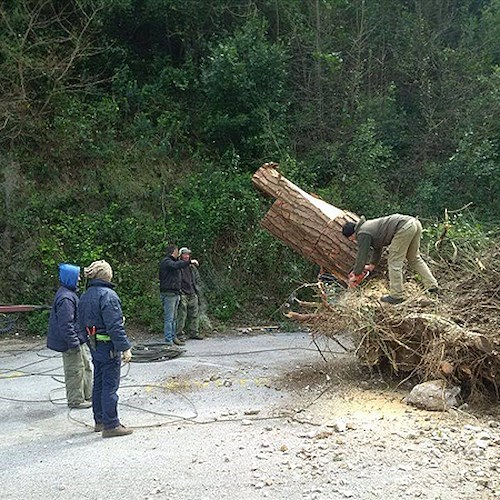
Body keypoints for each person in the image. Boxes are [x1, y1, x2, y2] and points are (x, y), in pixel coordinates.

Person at [78, 260, 133, 438]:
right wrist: (125, 348)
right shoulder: (109, 296)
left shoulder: (85, 296)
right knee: (110, 386)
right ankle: (111, 425)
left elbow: (79, 324)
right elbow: (115, 326)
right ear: (107, 275)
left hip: (95, 346)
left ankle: (99, 421)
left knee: (99, 383)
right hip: (108, 347)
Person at [342, 214, 439, 304]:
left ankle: (396, 295)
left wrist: (356, 273)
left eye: (352, 239)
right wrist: (372, 265)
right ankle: (432, 285)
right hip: (414, 223)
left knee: (394, 262)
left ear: (351, 235)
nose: (354, 241)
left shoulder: (362, 233)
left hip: (403, 227)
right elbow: (377, 248)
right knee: (414, 258)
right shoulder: (368, 227)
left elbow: (362, 255)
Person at [47, 263, 92, 409]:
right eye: (77, 276)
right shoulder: (66, 298)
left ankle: (88, 395)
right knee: (75, 371)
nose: (79, 279)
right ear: (70, 277)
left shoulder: (69, 294)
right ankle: (75, 400)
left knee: (85, 368)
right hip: (71, 343)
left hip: (78, 340)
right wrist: (73, 343)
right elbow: (66, 324)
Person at [159, 244, 198, 346]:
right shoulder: (167, 262)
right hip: (168, 294)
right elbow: (176, 266)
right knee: (169, 318)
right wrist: (189, 261)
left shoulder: (175, 262)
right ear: (174, 252)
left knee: (174, 318)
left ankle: (173, 337)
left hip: (176, 293)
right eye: (177, 251)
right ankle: (168, 340)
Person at [176, 247, 204, 341]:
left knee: (194, 313)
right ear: (180, 255)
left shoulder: (192, 267)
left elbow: (197, 280)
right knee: (182, 314)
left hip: (192, 292)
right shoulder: (177, 266)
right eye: (184, 254)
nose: (187, 256)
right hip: (182, 293)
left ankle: (194, 332)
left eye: (188, 254)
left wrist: (197, 291)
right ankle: (179, 334)